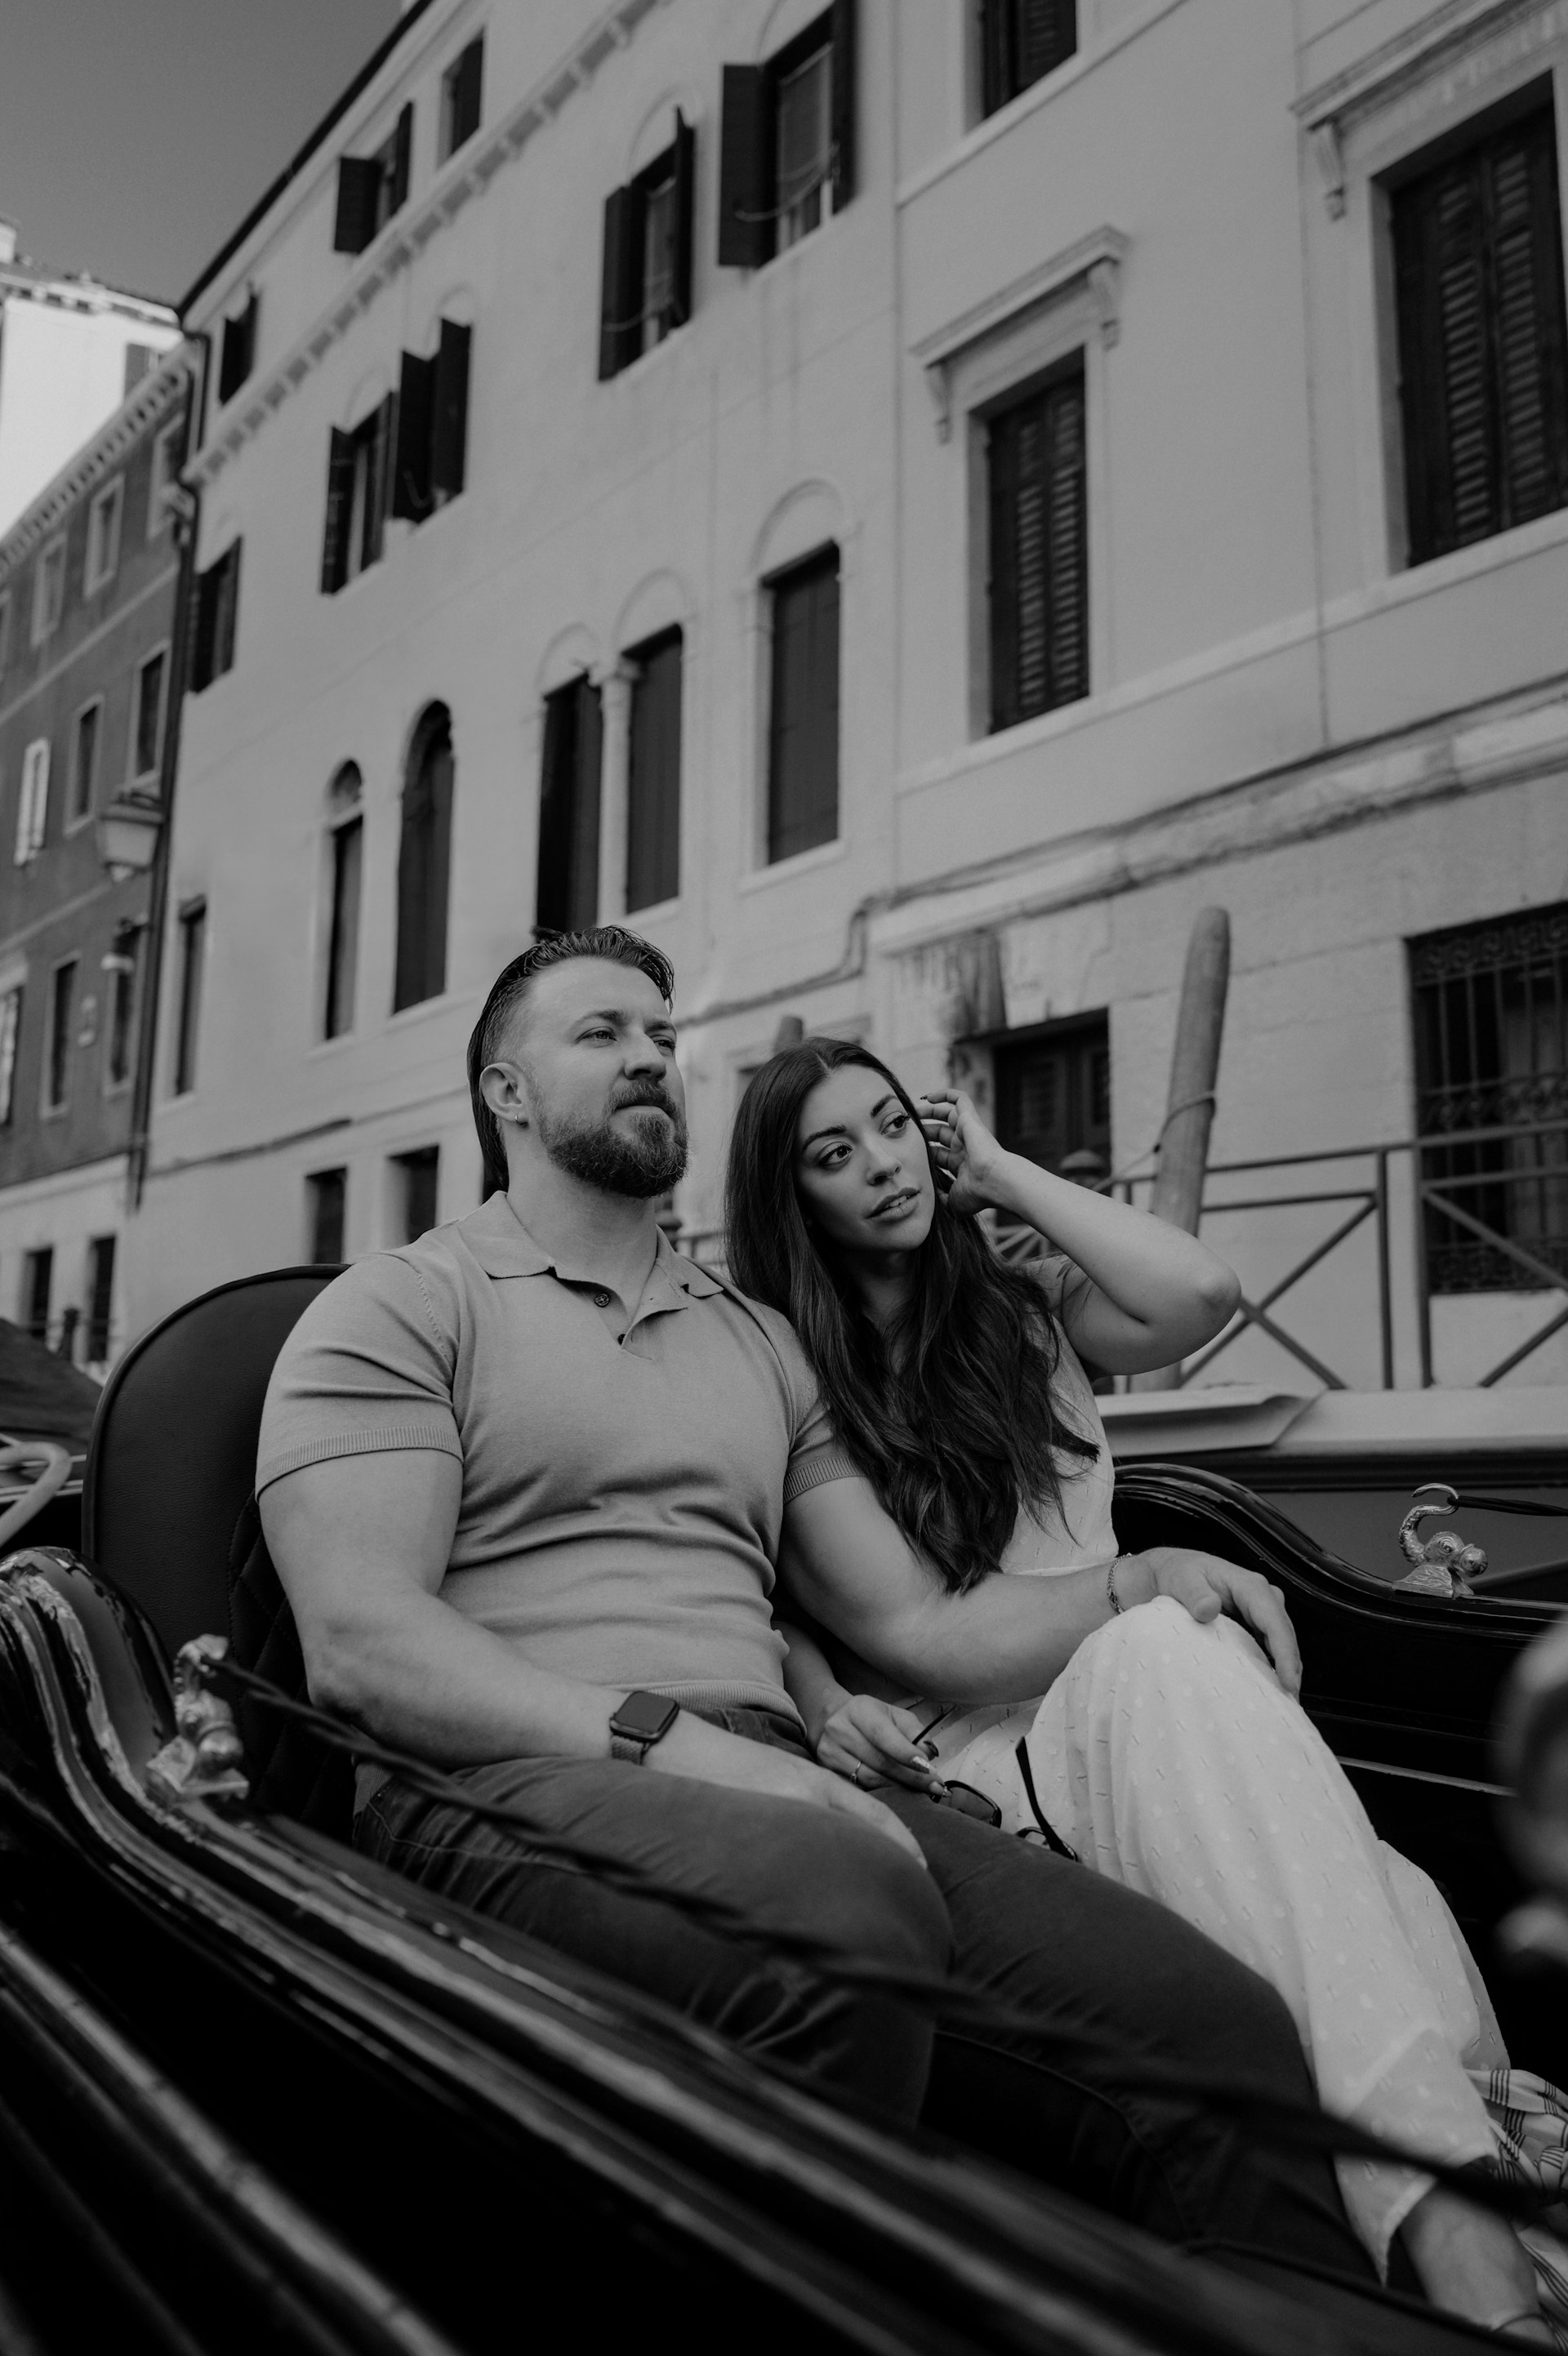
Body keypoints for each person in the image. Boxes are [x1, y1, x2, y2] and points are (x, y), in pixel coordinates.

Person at [256, 925, 1378, 2293]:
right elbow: (364, 1649)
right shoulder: (401, 1305)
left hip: (776, 1782)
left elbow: (921, 1628)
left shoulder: (760, 1339)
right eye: (602, 1034)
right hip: (503, 1782)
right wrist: (679, 1740)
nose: (650, 1060)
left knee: (1213, 2024)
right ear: (504, 1092)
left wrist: (1136, 1581)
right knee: (841, 1905)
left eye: (662, 1038)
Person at [722, 1031, 1552, 2343]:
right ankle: (1464, 2222)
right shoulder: (790, 1385)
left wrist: (997, 1166)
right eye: (835, 1153)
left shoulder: (1018, 1305)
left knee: (1377, 1879)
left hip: (1170, 1699)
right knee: (1174, 1650)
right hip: (1000, 1747)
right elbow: (832, 1612)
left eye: (893, 1125)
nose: (883, 1164)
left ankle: (1466, 2223)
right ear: (792, 1199)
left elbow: (1200, 1290)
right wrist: (827, 1701)